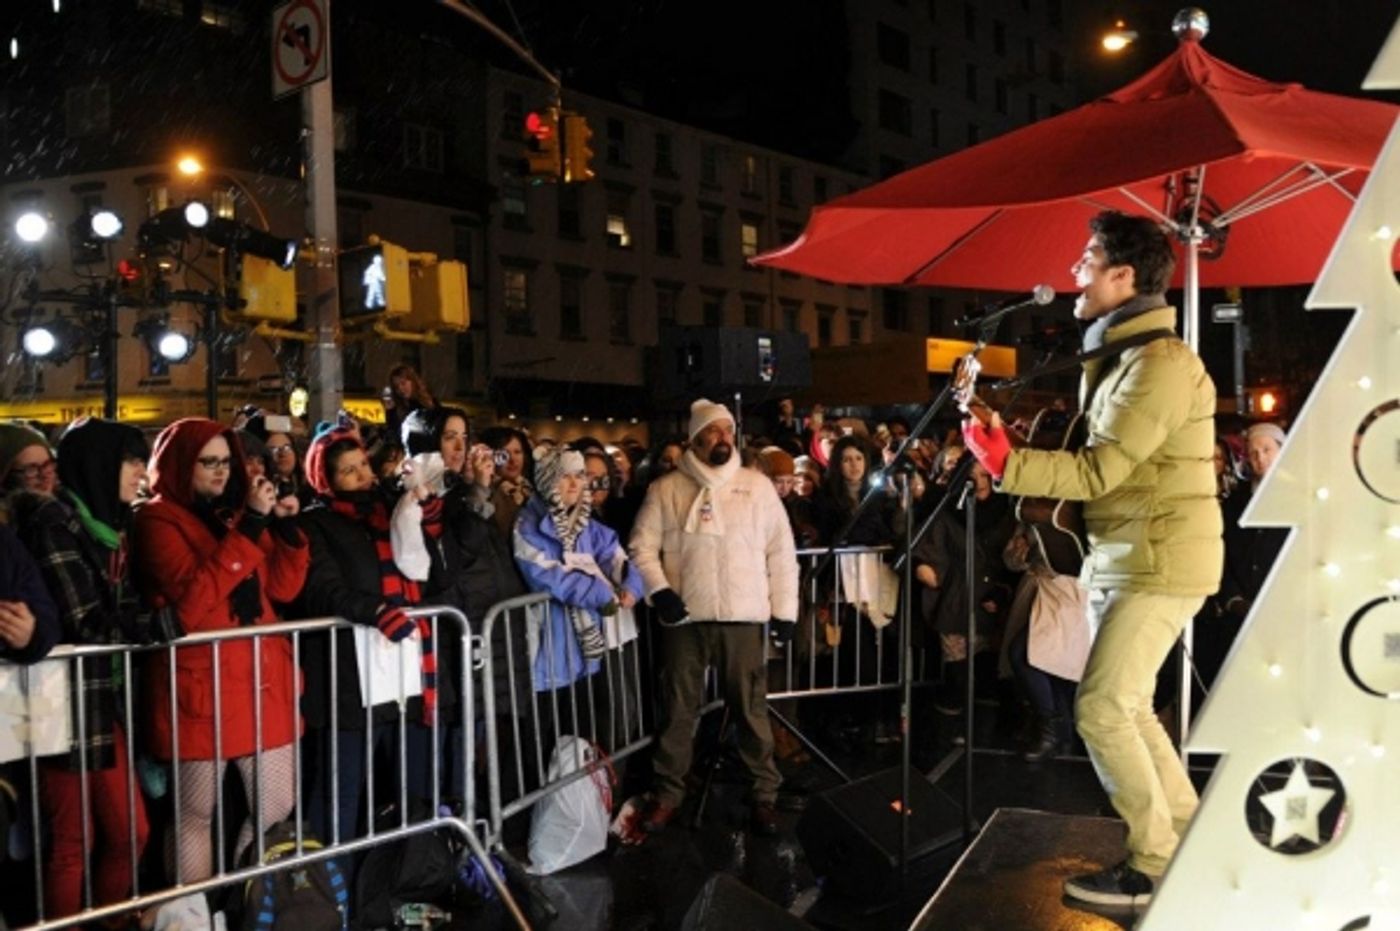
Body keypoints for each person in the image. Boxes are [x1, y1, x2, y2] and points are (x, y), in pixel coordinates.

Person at [962, 211, 1222, 907]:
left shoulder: (1160, 362)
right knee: (1127, 705)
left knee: (1102, 706)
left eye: (1087, 258)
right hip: (1127, 554)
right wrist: (1010, 445)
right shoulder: (1125, 357)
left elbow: (1099, 470)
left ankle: (1152, 862)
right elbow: (1108, 464)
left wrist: (1009, 464)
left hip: (1158, 559)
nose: (1074, 271)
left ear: (1124, 275)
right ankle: (1186, 840)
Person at [133, 418, 309, 882]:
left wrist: (285, 529)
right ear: (177, 465)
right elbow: (193, 604)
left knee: (276, 807)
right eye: (206, 462)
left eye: (225, 461)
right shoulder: (155, 518)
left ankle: (249, 905)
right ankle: (193, 913)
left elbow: (284, 588)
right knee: (195, 815)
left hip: (260, 680)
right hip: (202, 687)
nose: (219, 471)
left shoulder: (231, 514)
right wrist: (250, 525)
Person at [626, 399, 798, 840]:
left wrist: (785, 612)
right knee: (679, 709)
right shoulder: (666, 489)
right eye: (714, 431)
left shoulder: (756, 486)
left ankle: (764, 795)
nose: (724, 437)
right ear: (696, 438)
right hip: (685, 621)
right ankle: (668, 794)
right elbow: (641, 547)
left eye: (728, 430)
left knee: (751, 710)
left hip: (743, 619)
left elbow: (781, 552)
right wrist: (660, 590)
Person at [11, 418, 156, 917]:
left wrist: (147, 619)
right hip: (56, 699)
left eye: (46, 466)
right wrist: (151, 626)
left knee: (128, 831)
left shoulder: (110, 526)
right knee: (74, 841)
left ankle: (112, 920)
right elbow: (82, 621)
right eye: (132, 461)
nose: (142, 471)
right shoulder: (53, 523)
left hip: (97, 697)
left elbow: (126, 603)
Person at [296, 425, 448, 841]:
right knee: (342, 792)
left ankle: (411, 874)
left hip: (408, 671)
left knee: (415, 786)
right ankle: (337, 890)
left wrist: (427, 515)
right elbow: (322, 589)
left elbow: (429, 572)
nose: (363, 475)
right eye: (348, 471)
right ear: (327, 480)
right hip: (351, 679)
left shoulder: (391, 509)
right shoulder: (316, 524)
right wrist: (375, 610)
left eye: (363, 464)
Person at [513, 447, 643, 748]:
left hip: (583, 652)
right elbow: (545, 575)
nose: (574, 483)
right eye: (564, 476)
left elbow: (618, 559)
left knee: (580, 741)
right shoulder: (527, 525)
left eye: (579, 475)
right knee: (541, 743)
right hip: (547, 649)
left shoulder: (591, 527)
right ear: (547, 481)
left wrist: (631, 586)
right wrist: (600, 593)